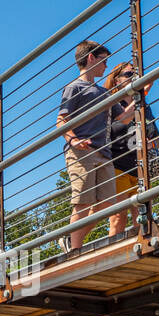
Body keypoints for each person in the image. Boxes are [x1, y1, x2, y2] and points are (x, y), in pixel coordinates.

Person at [56, 40, 137, 252]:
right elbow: (61, 120)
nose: (106, 67)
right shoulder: (74, 88)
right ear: (90, 58)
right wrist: (73, 140)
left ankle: (70, 239)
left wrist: (140, 93)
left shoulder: (103, 93)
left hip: (104, 153)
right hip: (82, 152)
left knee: (109, 204)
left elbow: (125, 118)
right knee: (82, 202)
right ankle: (75, 251)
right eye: (103, 61)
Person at [104, 62, 159, 237]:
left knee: (141, 217)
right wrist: (141, 94)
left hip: (139, 168)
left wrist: (150, 143)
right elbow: (115, 128)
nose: (134, 78)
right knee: (118, 218)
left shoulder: (145, 106)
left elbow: (156, 134)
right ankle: (112, 257)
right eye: (129, 75)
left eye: (135, 75)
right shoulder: (112, 103)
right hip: (117, 165)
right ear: (116, 81)